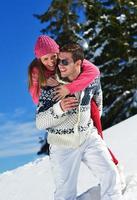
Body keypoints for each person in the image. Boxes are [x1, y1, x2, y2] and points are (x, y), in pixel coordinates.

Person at [36, 43, 123, 200]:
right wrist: (59, 108)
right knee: (65, 194)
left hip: (88, 136)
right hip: (63, 145)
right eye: (59, 60)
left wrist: (87, 124)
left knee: (110, 174)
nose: (59, 65)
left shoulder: (91, 80)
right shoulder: (50, 88)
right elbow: (40, 122)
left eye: (64, 62)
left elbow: (98, 100)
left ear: (78, 63)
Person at [28, 35, 119, 165]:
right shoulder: (36, 72)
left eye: (53, 56)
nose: (51, 61)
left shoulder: (65, 58)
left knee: (97, 137)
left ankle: (113, 165)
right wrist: (48, 90)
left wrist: (68, 88)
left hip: (83, 102)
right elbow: (36, 97)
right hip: (63, 111)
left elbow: (94, 70)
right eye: (45, 58)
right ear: (39, 59)